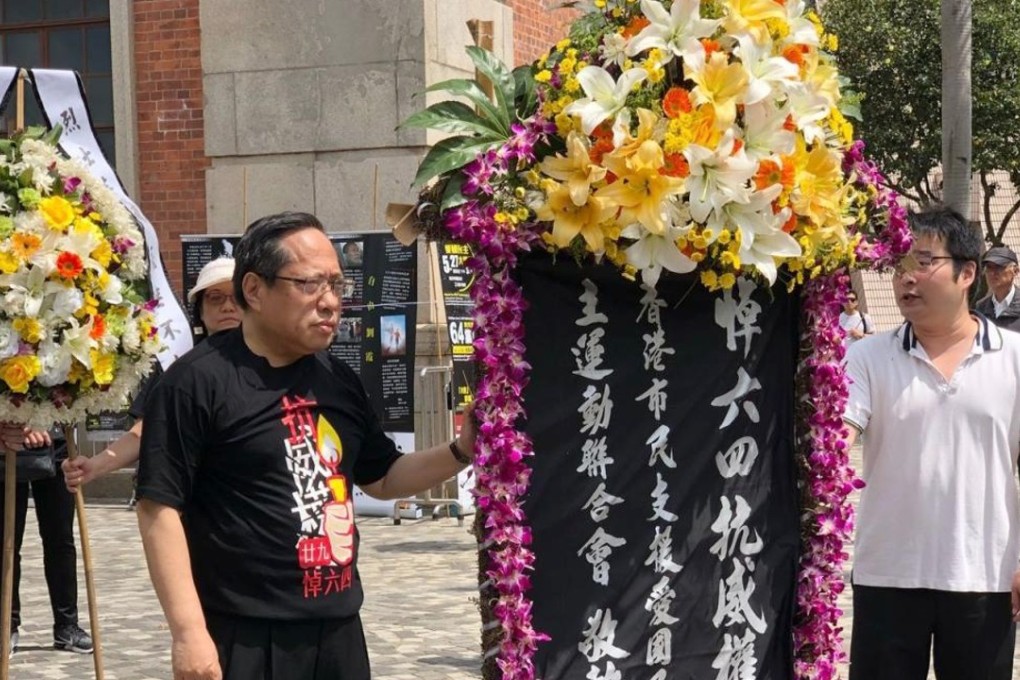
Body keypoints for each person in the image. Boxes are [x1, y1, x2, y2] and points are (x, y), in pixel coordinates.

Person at [135, 211, 476, 680]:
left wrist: (463, 449)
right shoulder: (196, 382)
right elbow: (158, 507)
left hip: (336, 628)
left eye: (338, 285)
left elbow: (381, 477)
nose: (331, 302)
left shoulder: (337, 378)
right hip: (243, 632)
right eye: (311, 284)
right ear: (254, 290)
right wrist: (189, 632)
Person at [843, 206, 1020, 680]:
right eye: (899, 265)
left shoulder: (1014, 359)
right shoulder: (867, 357)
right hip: (887, 574)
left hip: (983, 575)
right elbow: (840, 435)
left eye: (923, 262)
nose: (907, 278)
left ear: (967, 273)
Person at [62, 258, 241, 494]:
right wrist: (94, 466)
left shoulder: (278, 360)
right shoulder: (178, 365)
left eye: (236, 297)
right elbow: (145, 430)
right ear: (200, 310)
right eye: (215, 298)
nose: (227, 306)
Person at [0, 426, 93, 656]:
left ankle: (66, 625)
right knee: (7, 542)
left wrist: (46, 418)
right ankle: (6, 625)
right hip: (7, 438)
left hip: (56, 439)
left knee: (60, 539)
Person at [974, 245, 1020, 331]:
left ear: (1015, 271)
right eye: (989, 267)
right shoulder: (980, 308)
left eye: (999, 267)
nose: (992, 273)